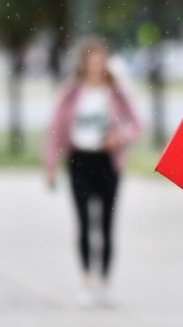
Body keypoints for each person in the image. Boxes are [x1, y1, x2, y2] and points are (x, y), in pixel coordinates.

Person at [45, 38, 141, 307]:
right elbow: (55, 130)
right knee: (85, 223)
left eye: (101, 60)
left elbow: (136, 125)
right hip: (79, 161)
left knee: (107, 224)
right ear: (84, 63)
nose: (96, 66)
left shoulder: (116, 92)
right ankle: (87, 281)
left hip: (107, 162)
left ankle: (105, 283)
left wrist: (119, 137)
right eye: (91, 61)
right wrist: (50, 165)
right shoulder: (71, 92)